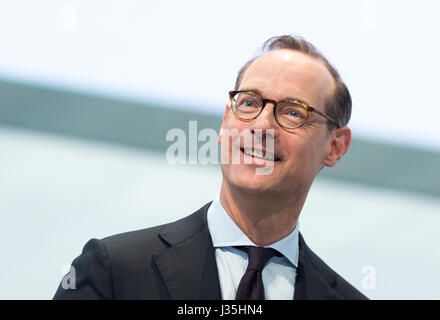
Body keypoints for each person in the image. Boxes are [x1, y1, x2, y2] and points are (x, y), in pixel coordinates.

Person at [53, 34, 367, 300]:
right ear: (225, 122)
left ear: (335, 146)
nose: (262, 126)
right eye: (248, 103)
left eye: (293, 113)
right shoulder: (113, 271)